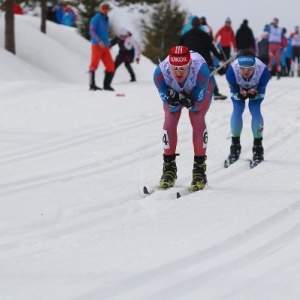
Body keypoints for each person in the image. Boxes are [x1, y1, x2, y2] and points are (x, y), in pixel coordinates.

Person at [153, 46, 215, 191]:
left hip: (200, 87)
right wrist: (174, 99)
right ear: (169, 65)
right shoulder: (159, 74)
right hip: (178, 90)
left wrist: (187, 100)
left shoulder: (200, 71)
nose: (178, 72)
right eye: (174, 68)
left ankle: (199, 170)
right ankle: (169, 168)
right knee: (170, 117)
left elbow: (197, 106)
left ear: (190, 65)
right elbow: (172, 108)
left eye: (182, 68)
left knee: (197, 117)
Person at [225, 49, 270, 165]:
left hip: (256, 87)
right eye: (242, 68)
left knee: (254, 109)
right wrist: (239, 94)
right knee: (238, 108)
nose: (245, 72)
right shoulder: (231, 71)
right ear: (237, 66)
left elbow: (260, 92)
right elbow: (234, 91)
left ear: (255, 66)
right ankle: (235, 145)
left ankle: (258, 147)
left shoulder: (263, 71)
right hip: (239, 87)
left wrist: (255, 93)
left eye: (249, 69)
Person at [180, 16, 227, 100]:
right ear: (199, 24)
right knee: (210, 76)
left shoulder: (185, 35)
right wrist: (221, 58)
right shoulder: (205, 35)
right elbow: (212, 49)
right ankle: (215, 92)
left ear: (192, 24)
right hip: (204, 61)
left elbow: (180, 48)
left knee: (189, 76)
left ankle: (186, 93)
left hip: (189, 60)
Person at [88, 2, 115, 91]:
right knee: (94, 64)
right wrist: (98, 40)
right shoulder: (96, 19)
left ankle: (106, 85)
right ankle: (92, 85)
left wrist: (108, 43)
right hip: (97, 45)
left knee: (110, 66)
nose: (105, 9)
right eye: (104, 7)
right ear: (100, 9)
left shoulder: (106, 19)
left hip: (105, 46)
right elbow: (92, 31)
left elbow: (105, 33)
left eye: (107, 8)